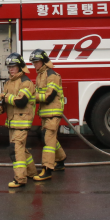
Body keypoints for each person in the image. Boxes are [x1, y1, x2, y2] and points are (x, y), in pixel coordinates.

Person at [0, 52, 37, 188]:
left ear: (20, 66)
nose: (11, 69)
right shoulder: (8, 83)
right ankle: (31, 172)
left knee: (16, 149)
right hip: (12, 122)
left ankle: (20, 179)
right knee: (21, 149)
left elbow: (21, 101)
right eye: (9, 66)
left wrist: (5, 97)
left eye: (13, 66)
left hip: (22, 122)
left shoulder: (26, 82)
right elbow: (7, 103)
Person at [29, 49, 66, 181]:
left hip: (53, 113)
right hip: (46, 113)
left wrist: (32, 97)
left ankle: (47, 169)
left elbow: (50, 96)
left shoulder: (52, 75)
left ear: (43, 61)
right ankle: (61, 160)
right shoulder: (41, 75)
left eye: (36, 62)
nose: (34, 65)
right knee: (50, 138)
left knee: (48, 141)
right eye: (33, 62)